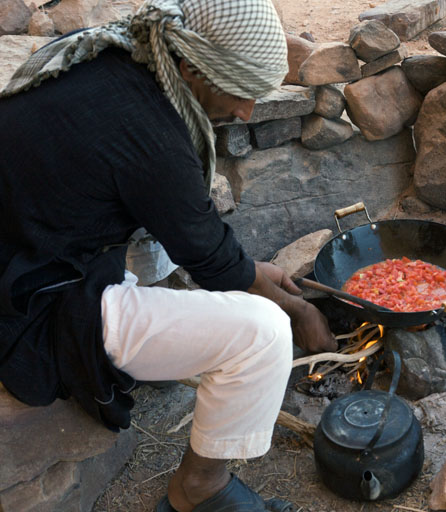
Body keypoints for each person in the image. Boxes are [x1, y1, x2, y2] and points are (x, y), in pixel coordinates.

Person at [0, 0, 338, 510]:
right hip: (30, 305)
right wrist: (301, 310)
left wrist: (248, 270)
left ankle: (153, 358)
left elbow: (205, 244)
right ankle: (200, 488)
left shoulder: (115, 58)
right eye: (241, 93)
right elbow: (213, 261)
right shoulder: (149, 134)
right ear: (189, 65)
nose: (246, 112)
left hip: (25, 249)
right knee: (262, 333)